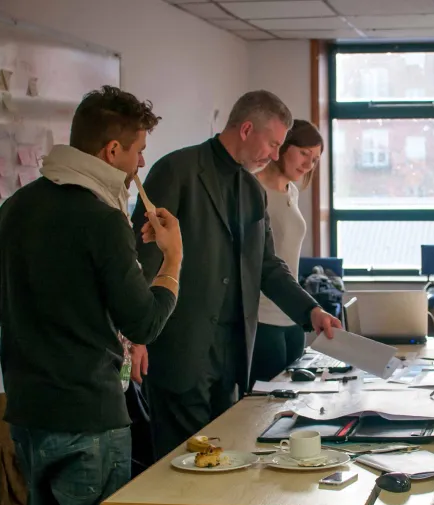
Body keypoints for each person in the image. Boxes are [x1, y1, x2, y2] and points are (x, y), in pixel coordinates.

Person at [0, 86, 182, 505]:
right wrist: (172, 260)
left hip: (28, 413)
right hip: (89, 418)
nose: (142, 162)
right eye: (138, 151)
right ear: (112, 151)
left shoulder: (15, 206)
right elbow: (143, 323)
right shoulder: (103, 220)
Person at [131, 90, 341, 460]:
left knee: (226, 461)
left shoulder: (251, 189)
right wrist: (135, 334)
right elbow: (143, 259)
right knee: (178, 469)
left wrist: (311, 312)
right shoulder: (177, 170)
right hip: (180, 350)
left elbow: (267, 265)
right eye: (273, 144)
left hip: (231, 357)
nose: (275, 155)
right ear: (246, 129)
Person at [250, 120, 323, 383]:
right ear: (282, 146)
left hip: (293, 315)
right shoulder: (253, 189)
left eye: (314, 159)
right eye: (304, 153)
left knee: (294, 399)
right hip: (262, 317)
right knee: (263, 405)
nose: (308, 164)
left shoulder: (292, 191)